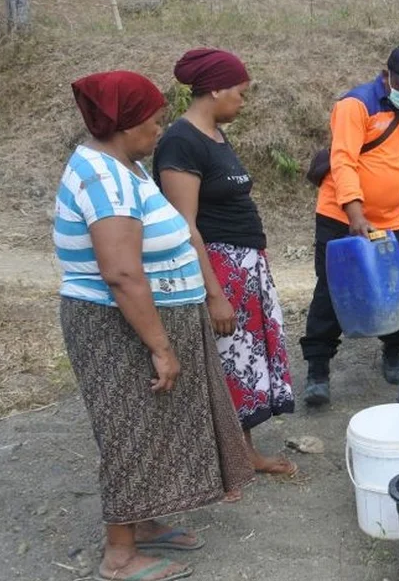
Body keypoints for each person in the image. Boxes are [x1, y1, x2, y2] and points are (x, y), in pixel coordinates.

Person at [55, 70, 254, 581]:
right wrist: (161, 347)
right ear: (125, 124)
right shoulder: (105, 179)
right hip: (118, 327)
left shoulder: (126, 167)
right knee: (131, 428)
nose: (161, 131)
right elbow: (121, 273)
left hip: (149, 319)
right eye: (155, 121)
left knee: (153, 425)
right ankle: (119, 555)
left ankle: (142, 525)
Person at [153, 48, 297, 478]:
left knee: (243, 362)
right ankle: (225, 459)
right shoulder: (181, 141)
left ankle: (242, 451)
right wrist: (214, 293)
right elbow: (186, 226)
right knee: (225, 362)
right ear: (214, 89)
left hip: (246, 267)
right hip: (218, 269)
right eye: (239, 90)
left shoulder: (215, 134)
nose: (243, 99)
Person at [299, 44, 399, 405]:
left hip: (390, 220)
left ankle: (393, 352)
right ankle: (318, 369)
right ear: (386, 76)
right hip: (340, 218)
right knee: (331, 289)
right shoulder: (355, 105)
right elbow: (343, 161)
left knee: (395, 287)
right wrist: (355, 212)